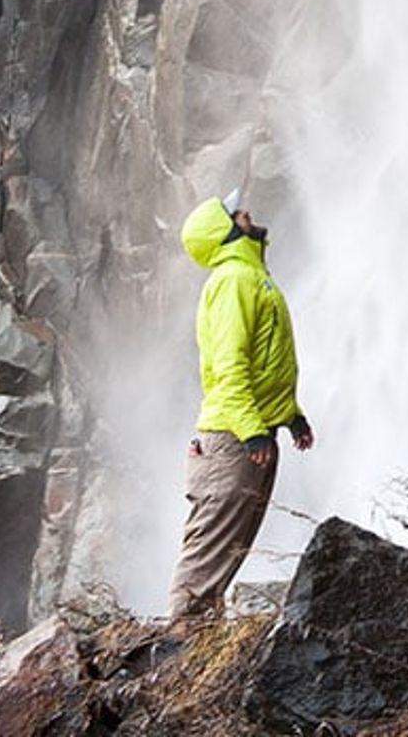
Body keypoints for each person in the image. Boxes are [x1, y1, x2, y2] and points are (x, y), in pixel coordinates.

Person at [167, 191, 314, 620]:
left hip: (248, 434)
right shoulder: (234, 280)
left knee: (228, 550)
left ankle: (193, 641)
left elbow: (267, 361)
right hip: (231, 440)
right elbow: (230, 366)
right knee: (207, 556)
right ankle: (175, 648)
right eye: (235, 214)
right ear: (225, 230)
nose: (247, 213)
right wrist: (251, 429)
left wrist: (290, 415)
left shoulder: (250, 276)